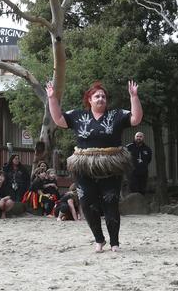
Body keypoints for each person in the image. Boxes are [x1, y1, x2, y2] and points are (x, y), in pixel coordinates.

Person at [47, 80, 143, 253]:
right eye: (97, 96)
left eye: (103, 96)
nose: (101, 99)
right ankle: (99, 239)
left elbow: (136, 119)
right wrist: (52, 98)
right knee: (87, 203)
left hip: (110, 166)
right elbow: (59, 119)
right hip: (84, 166)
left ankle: (114, 242)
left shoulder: (116, 115)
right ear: (89, 99)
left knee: (110, 203)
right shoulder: (77, 116)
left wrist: (134, 97)